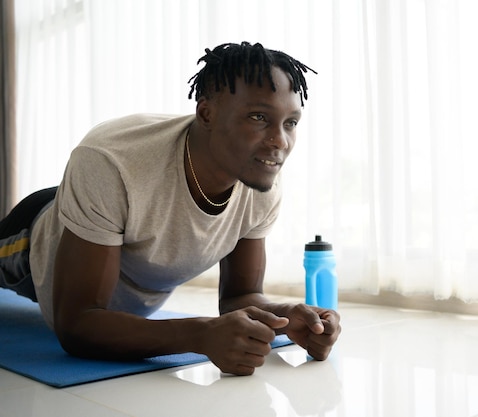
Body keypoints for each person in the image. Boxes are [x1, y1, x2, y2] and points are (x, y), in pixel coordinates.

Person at [0, 41, 341, 376]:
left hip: (109, 213)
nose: (280, 141)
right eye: (258, 117)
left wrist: (287, 316)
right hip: (35, 239)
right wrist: (202, 334)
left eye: (291, 123)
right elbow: (77, 323)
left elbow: (241, 296)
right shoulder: (111, 161)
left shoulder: (259, 181)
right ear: (206, 112)